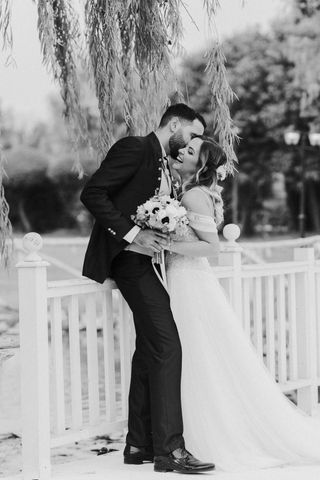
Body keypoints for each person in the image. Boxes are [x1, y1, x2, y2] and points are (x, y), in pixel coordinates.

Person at [164, 135, 320, 471]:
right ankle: (190, 433)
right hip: (189, 281)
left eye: (191, 151)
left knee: (197, 355)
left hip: (189, 279)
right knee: (201, 355)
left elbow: (211, 248)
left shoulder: (194, 195)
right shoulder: (195, 192)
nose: (183, 152)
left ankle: (205, 435)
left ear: (203, 164)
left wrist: (164, 244)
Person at [80, 104, 216, 474]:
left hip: (148, 263)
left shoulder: (162, 161)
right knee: (168, 345)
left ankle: (138, 444)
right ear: (174, 125)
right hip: (128, 261)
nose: (193, 143)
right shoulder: (135, 148)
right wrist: (133, 234)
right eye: (191, 135)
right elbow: (93, 193)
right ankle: (170, 451)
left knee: (150, 348)